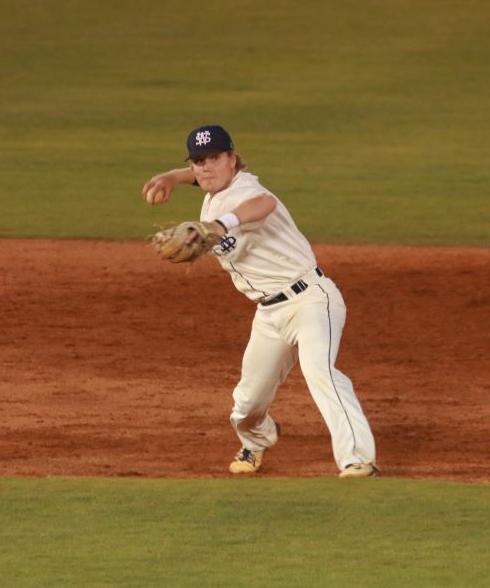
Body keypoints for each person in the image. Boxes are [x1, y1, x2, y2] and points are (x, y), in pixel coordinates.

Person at [142, 125, 379, 478]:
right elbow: (201, 179)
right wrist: (172, 177)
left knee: (321, 372)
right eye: (197, 161)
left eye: (214, 158)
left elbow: (263, 204)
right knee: (247, 405)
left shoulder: (246, 191)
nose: (205, 167)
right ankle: (258, 438)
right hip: (269, 313)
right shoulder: (213, 186)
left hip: (310, 301)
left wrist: (223, 225)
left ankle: (357, 459)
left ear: (232, 160)